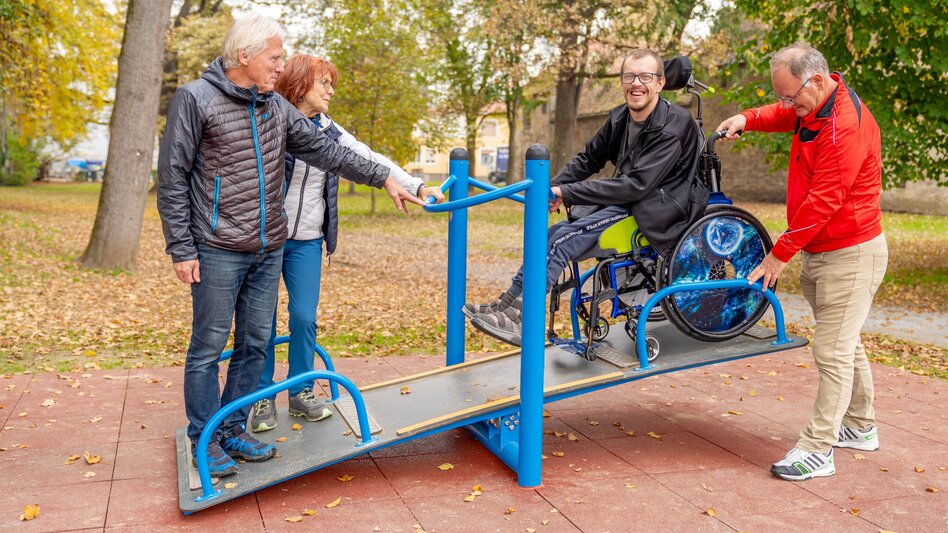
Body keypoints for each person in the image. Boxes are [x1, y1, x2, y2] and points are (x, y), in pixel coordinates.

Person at [157, 14, 425, 477]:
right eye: (275, 57)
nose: (280, 67)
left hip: (268, 247)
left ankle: (233, 428)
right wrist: (181, 248)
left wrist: (383, 178)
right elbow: (173, 178)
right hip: (217, 247)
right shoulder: (195, 99)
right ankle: (204, 435)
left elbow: (329, 151)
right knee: (208, 345)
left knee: (255, 343)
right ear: (245, 56)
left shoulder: (275, 108)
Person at [716, 43, 887, 481]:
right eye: (782, 97)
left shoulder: (843, 126)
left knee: (831, 351)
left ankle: (818, 449)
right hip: (826, 250)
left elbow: (824, 201)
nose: (787, 105)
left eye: (790, 96)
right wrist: (747, 119)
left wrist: (778, 256)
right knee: (847, 346)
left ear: (814, 80)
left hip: (851, 252)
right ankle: (861, 427)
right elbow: (781, 114)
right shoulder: (813, 103)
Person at [247, 55, 444, 432]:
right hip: (267, 239)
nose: (331, 90)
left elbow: (369, 158)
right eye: (324, 82)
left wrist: (417, 185)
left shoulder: (330, 131)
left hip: (306, 240)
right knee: (263, 323)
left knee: (304, 318)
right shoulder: (272, 121)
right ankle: (261, 398)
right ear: (300, 85)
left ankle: (302, 392)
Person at [466, 48, 708, 346]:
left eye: (645, 76)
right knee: (552, 234)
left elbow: (637, 186)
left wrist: (567, 193)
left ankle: (522, 318)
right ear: (621, 82)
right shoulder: (621, 117)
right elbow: (588, 159)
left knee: (564, 240)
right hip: (631, 200)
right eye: (629, 76)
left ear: (660, 82)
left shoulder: (673, 125)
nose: (636, 83)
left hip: (660, 209)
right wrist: (551, 188)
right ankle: (510, 304)